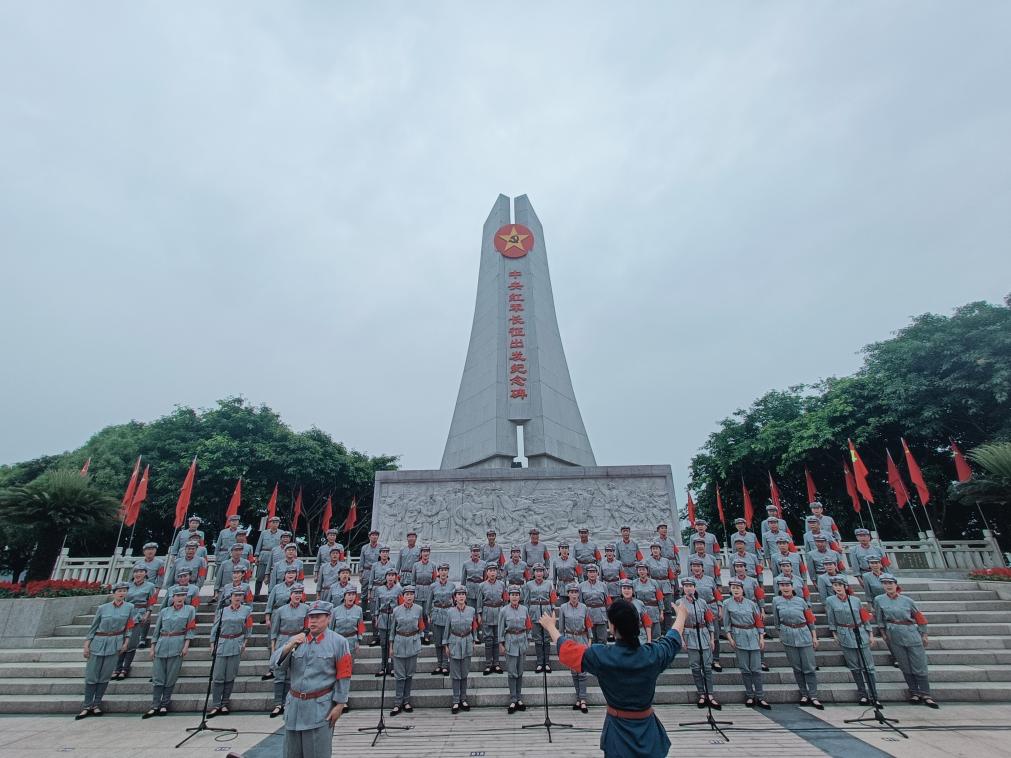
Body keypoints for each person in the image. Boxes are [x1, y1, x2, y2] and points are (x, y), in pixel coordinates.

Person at [541, 597, 689, 758]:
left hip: (618, 734)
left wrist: (551, 627)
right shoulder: (653, 655)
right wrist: (681, 615)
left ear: (612, 627)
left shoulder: (602, 656)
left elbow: (567, 649)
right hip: (649, 732)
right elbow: (673, 638)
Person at [275, 600, 352, 758]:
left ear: (328, 618)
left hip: (319, 709)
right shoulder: (297, 640)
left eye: (318, 617)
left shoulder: (339, 642)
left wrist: (340, 704)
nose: (313, 621)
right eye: (311, 617)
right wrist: (289, 646)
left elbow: (344, 675)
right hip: (294, 708)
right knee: (291, 754)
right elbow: (275, 665)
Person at [874, 573, 937, 707]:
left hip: (910, 632)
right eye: (885, 583)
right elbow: (879, 618)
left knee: (919, 664)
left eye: (890, 583)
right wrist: (883, 633)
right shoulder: (879, 600)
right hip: (893, 633)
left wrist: (924, 634)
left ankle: (926, 694)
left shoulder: (907, 601)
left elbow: (919, 617)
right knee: (904, 664)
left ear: (896, 585)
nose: (888, 586)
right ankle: (914, 692)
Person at [77, 582, 135, 720]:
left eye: (124, 591)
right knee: (92, 675)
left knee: (105, 676)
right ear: (114, 593)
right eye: (119, 591)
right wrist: (86, 645)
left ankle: (96, 704)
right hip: (99, 641)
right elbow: (93, 627)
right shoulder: (103, 608)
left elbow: (129, 626)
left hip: (115, 642)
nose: (121, 593)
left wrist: (126, 642)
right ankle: (87, 705)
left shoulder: (130, 607)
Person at [825, 575, 880, 706]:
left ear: (845, 586)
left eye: (840, 585)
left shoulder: (855, 600)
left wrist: (870, 633)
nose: (838, 588)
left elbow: (864, 617)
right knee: (855, 667)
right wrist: (834, 633)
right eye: (835, 585)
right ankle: (863, 694)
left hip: (859, 632)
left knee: (868, 667)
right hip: (844, 633)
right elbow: (831, 618)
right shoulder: (830, 601)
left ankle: (874, 695)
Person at [143, 585, 196, 718]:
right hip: (162, 643)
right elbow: (157, 630)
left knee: (171, 677)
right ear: (172, 597)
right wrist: (152, 647)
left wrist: (186, 646)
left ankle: (164, 704)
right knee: (158, 677)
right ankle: (155, 705)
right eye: (177, 596)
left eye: (182, 595)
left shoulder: (190, 610)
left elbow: (190, 629)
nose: (180, 598)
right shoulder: (164, 611)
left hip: (177, 643)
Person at [772, 577, 821, 709]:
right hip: (788, 635)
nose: (785, 588)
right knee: (797, 667)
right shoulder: (776, 601)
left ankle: (813, 695)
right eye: (782, 585)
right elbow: (777, 621)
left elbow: (810, 620)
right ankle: (804, 694)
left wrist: (814, 636)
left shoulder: (801, 601)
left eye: (787, 585)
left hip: (803, 633)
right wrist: (781, 633)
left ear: (792, 587)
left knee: (809, 667)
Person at [723, 577, 769, 708]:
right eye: (733, 588)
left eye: (738, 588)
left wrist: (761, 637)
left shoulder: (751, 604)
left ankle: (760, 696)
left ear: (743, 590)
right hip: (739, 635)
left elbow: (758, 621)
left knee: (756, 669)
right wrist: (730, 638)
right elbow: (726, 623)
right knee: (745, 669)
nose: (736, 590)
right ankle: (750, 695)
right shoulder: (727, 604)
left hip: (753, 635)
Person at [208, 588, 254, 717]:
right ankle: (216, 704)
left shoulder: (246, 610)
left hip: (236, 643)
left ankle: (224, 703)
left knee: (230, 675)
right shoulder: (222, 611)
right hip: (222, 643)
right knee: (218, 676)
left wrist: (245, 642)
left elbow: (248, 627)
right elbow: (215, 628)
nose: (238, 597)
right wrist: (212, 643)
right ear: (230, 597)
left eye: (240, 595)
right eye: (235, 595)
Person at [677, 576, 719, 710]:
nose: (689, 588)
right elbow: (679, 623)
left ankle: (710, 694)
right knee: (695, 667)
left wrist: (712, 638)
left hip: (703, 634)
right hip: (689, 635)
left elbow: (709, 620)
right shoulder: (680, 603)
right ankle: (701, 693)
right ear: (683, 588)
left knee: (707, 667)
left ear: (695, 588)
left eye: (691, 586)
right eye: (686, 586)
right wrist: (681, 639)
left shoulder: (702, 602)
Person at [269, 583, 309, 718]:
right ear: (290, 595)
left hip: (298, 641)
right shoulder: (281, 610)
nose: (297, 595)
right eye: (295, 593)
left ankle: (288, 702)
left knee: (292, 674)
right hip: (283, 641)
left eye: (299, 593)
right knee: (280, 673)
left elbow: (307, 627)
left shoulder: (306, 609)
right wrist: (274, 646)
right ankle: (277, 704)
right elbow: (274, 630)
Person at [114, 566, 159, 680]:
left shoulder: (150, 586)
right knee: (121, 641)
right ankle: (117, 668)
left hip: (139, 615)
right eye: (136, 572)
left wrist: (148, 613)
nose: (138, 574)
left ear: (145, 573)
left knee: (132, 642)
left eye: (141, 572)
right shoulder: (128, 586)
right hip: (125, 614)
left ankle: (125, 668)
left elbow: (151, 601)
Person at [329, 585, 365, 712]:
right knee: (335, 671)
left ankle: (343, 700)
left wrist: (358, 640)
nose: (351, 597)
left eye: (353, 594)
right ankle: (334, 697)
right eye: (348, 594)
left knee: (346, 673)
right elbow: (330, 628)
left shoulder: (358, 610)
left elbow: (360, 626)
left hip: (351, 642)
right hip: (337, 642)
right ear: (344, 597)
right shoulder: (335, 611)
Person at [390, 585, 425, 715]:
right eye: (407, 594)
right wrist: (391, 646)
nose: (409, 597)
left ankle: (406, 701)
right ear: (403, 597)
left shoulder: (419, 609)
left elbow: (421, 626)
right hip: (399, 642)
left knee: (409, 674)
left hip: (413, 642)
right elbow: (392, 630)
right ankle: (398, 703)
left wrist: (419, 640)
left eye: (411, 594)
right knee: (400, 675)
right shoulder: (396, 611)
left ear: (414, 596)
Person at [559, 583, 593, 712]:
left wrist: (590, 640)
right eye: (571, 592)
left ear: (579, 594)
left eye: (576, 592)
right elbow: (561, 628)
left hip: (582, 639)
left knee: (582, 671)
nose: (574, 595)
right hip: (570, 640)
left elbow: (588, 624)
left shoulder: (584, 607)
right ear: (568, 594)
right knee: (574, 671)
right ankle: (578, 699)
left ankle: (583, 699)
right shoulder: (563, 608)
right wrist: (562, 643)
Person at [498, 586, 532, 713]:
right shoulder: (504, 611)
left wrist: (528, 638)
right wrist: (501, 643)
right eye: (512, 595)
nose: (514, 597)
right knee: (512, 672)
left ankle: (519, 698)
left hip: (521, 642)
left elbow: (528, 625)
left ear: (519, 596)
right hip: (510, 642)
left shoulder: (524, 609)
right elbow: (501, 628)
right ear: (509, 596)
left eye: (517, 595)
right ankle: (513, 699)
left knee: (520, 671)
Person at [445, 584, 478, 713]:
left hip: (467, 641)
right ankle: (455, 700)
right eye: (459, 594)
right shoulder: (450, 612)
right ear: (455, 597)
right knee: (455, 674)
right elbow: (447, 629)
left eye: (463, 594)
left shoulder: (471, 610)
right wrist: (446, 645)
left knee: (464, 672)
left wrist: (474, 640)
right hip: (454, 642)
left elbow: (474, 626)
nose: (461, 597)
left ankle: (463, 699)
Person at [688, 557, 724, 671]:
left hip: (711, 607)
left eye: (698, 566)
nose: (696, 568)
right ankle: (703, 659)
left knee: (715, 634)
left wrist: (720, 607)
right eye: (694, 566)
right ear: (691, 568)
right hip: (697, 609)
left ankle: (716, 659)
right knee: (700, 634)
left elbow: (716, 594)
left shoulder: (710, 579)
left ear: (702, 568)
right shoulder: (689, 581)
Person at [524, 562, 557, 673]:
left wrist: (553, 612)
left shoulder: (549, 584)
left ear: (544, 573)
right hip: (534, 612)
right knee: (537, 639)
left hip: (546, 611)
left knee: (546, 638)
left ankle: (546, 663)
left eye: (541, 571)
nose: (539, 573)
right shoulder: (529, 585)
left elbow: (552, 599)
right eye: (537, 571)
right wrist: (527, 615)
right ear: (533, 573)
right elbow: (526, 601)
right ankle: (539, 663)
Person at [476, 563, 507, 674]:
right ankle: (488, 664)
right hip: (487, 613)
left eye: (494, 570)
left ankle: (496, 664)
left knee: (497, 639)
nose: (493, 573)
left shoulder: (502, 584)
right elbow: (479, 601)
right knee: (488, 640)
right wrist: (479, 614)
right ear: (487, 572)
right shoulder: (482, 586)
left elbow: (505, 599)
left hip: (499, 612)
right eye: (490, 571)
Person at [373, 567, 403, 674]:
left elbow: (401, 604)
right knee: (383, 644)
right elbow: (377, 605)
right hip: (383, 617)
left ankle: (394, 667)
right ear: (385, 577)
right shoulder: (379, 589)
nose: (391, 577)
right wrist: (376, 617)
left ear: (395, 577)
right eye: (389, 575)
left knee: (394, 643)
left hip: (394, 617)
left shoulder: (399, 589)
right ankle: (384, 667)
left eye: (393, 575)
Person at [644, 542, 678, 632]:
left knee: (668, 610)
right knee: (658, 608)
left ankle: (668, 630)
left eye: (657, 549)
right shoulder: (647, 561)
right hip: (654, 585)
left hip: (666, 586)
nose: (655, 550)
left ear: (660, 550)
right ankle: (660, 630)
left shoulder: (666, 561)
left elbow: (670, 574)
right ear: (651, 550)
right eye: (653, 549)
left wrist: (672, 586)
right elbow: (646, 575)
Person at [429, 562, 455, 675]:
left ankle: (445, 665)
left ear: (448, 572)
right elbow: (429, 601)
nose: (443, 572)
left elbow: (455, 601)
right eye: (441, 570)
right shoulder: (433, 586)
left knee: (446, 640)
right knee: (437, 641)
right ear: (438, 572)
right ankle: (439, 664)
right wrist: (429, 614)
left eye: (445, 570)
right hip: (437, 614)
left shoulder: (452, 586)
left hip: (448, 614)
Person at [410, 546, 435, 642]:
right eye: (424, 551)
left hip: (428, 592)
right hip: (418, 592)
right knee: (417, 614)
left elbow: (434, 581)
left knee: (426, 613)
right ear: (421, 553)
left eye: (427, 551)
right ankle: (418, 633)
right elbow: (413, 581)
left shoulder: (433, 565)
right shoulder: (416, 565)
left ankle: (426, 634)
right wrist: (413, 594)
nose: (425, 553)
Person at [580, 564, 610, 643]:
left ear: (597, 573)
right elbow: (580, 604)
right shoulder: (581, 586)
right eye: (590, 572)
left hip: (601, 615)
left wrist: (609, 616)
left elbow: (608, 602)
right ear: (587, 574)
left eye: (594, 572)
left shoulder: (603, 585)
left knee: (602, 639)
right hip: (588, 614)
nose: (592, 574)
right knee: (591, 639)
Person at [254, 516, 284, 596]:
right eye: (273, 522)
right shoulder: (264, 533)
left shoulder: (282, 533)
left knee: (272, 577)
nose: (275, 524)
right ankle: (256, 595)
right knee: (260, 576)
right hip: (264, 555)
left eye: (277, 522)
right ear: (270, 523)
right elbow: (259, 544)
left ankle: (270, 595)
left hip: (275, 556)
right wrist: (256, 556)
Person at [618, 578, 654, 643]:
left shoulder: (639, 603)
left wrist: (649, 640)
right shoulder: (617, 605)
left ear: (633, 590)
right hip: (624, 637)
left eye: (629, 589)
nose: (626, 591)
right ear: (621, 590)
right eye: (624, 588)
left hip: (640, 636)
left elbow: (647, 623)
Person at [632, 562, 664, 631]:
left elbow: (659, 598)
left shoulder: (654, 582)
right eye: (640, 570)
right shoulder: (634, 583)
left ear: (647, 571)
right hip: (641, 611)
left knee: (656, 633)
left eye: (643, 569)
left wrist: (661, 612)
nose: (642, 572)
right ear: (637, 572)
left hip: (653, 611)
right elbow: (633, 599)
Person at [358, 529, 382, 610]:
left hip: (377, 572)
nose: (374, 537)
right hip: (367, 571)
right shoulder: (364, 548)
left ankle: (376, 611)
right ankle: (363, 611)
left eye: (376, 535)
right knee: (364, 592)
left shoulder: (381, 548)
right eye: (373, 535)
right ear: (369, 537)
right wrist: (360, 574)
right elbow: (361, 561)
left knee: (376, 591)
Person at [460, 544, 486, 608]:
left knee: (480, 608)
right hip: (470, 589)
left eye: (477, 551)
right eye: (474, 551)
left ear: (480, 552)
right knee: (470, 608)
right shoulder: (466, 564)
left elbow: (485, 579)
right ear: (471, 552)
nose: (476, 553)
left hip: (479, 588)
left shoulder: (484, 563)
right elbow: (463, 580)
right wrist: (463, 591)